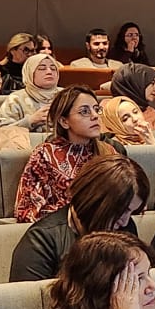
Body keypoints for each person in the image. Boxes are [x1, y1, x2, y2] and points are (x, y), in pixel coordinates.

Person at [9, 155, 150, 283]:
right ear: (95, 201)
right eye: (120, 212)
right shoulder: (40, 241)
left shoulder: (125, 229)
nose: (125, 221)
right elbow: (30, 306)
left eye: (131, 212)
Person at [14, 88, 121, 223]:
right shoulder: (45, 155)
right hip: (63, 231)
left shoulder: (108, 151)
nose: (95, 116)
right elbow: (27, 211)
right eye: (84, 111)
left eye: (96, 109)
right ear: (64, 121)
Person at [0, 52, 63, 129]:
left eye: (53, 69)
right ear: (30, 73)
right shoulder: (16, 98)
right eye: (42, 68)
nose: (49, 72)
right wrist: (30, 121)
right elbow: (1, 130)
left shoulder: (67, 95)